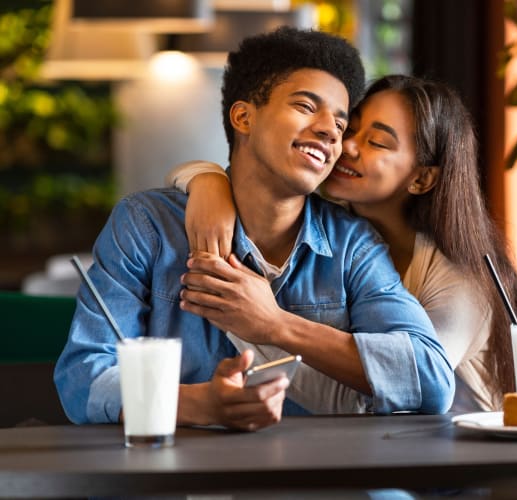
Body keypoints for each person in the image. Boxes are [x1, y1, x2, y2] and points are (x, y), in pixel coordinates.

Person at [54, 29, 455, 431]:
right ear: (244, 116)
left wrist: (276, 324)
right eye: (305, 106)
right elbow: (81, 377)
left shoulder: (352, 245)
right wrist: (198, 405)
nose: (331, 132)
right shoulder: (147, 227)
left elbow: (431, 379)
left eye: (339, 121)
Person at [167, 74, 517, 412]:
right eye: (350, 129)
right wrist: (206, 178)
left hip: (452, 470)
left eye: (377, 141)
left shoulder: (459, 282)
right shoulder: (335, 233)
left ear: (421, 179)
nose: (345, 146)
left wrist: (261, 322)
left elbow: (372, 400)